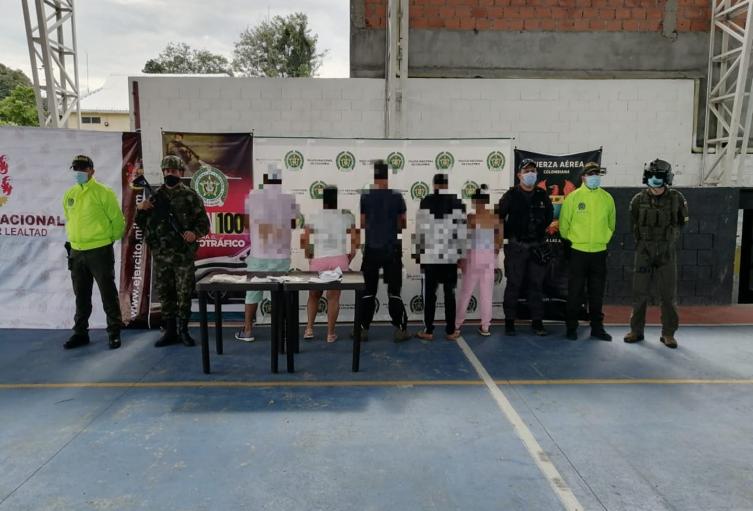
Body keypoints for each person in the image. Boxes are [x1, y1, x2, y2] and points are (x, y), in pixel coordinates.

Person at [136, 155, 209, 347]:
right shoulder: (154, 197)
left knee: (184, 294)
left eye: (174, 171)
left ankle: (183, 331)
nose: (170, 174)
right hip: (161, 256)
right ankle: (169, 331)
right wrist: (141, 210)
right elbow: (141, 225)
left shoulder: (191, 196)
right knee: (166, 294)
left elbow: (204, 224)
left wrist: (194, 233)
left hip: (183, 255)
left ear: (181, 173)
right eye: (167, 171)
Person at [62, 155, 125, 350]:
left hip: (99, 251)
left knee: (107, 293)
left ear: (92, 170)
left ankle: (114, 332)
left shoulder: (103, 192)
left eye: (83, 168)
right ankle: (80, 333)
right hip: (76, 251)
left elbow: (118, 221)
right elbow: (68, 218)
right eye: (76, 168)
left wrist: (107, 240)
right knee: (81, 295)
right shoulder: (70, 194)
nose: (79, 172)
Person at [624, 159, 689, 349]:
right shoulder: (638, 200)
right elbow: (633, 224)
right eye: (651, 176)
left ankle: (668, 334)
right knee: (639, 294)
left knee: (668, 296)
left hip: (666, 253)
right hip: (644, 251)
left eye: (659, 176)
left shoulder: (677, 199)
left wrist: (668, 241)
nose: (654, 180)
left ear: (666, 178)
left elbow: (682, 222)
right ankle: (636, 331)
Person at [236, 165, 299, 342]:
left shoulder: (253, 196)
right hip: (281, 257)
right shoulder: (289, 198)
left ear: (265, 180)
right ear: (280, 180)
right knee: (280, 294)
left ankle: (247, 330)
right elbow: (293, 224)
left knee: (253, 293)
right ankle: (280, 332)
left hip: (259, 255)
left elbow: (245, 224)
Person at [559, 162, 616, 341]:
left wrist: (602, 239)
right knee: (575, 292)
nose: (594, 177)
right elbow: (563, 225)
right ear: (583, 177)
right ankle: (571, 328)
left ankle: (597, 328)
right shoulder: (573, 198)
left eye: (597, 174)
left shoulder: (607, 198)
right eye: (590, 174)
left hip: (599, 253)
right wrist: (576, 241)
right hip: (578, 252)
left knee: (597, 293)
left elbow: (611, 224)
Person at [497, 158, 554, 336]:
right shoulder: (510, 195)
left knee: (536, 285)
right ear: (519, 175)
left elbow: (548, 216)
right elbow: (498, 218)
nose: (531, 174)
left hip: (537, 246)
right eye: (527, 171)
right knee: (514, 284)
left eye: (533, 171)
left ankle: (537, 322)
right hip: (516, 247)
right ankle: (509, 322)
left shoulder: (542, 195)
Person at [359, 160, 410, 342]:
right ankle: (400, 330)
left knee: (368, 291)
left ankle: (363, 329)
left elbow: (363, 223)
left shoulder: (365, 196)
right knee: (394, 291)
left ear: (375, 176)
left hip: (372, 248)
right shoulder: (396, 196)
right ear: (387, 176)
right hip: (392, 249)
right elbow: (403, 223)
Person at [412, 173, 467, 341]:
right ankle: (451, 331)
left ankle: (428, 330)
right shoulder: (457, 202)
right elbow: (461, 231)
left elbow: (421, 228)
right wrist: (461, 255)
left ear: (434, 185)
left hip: (430, 255)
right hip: (450, 255)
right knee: (449, 293)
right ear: (446, 185)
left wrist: (419, 255)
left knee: (430, 294)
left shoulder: (426, 201)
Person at [301, 186, 359, 343]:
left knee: (313, 296)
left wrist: (309, 257)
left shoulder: (314, 216)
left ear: (323, 200)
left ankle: (309, 329)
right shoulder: (345, 217)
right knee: (333, 298)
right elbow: (355, 239)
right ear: (336, 199)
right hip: (339, 259)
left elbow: (305, 239)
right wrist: (350, 256)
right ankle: (330, 334)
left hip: (318, 259)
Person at [455, 185, 503, 337]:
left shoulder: (471, 218)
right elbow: (499, 241)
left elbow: (465, 240)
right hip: (489, 259)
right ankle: (485, 327)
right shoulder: (495, 218)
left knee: (465, 293)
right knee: (486, 294)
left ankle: (456, 325)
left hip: (473, 258)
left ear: (475, 201)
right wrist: (492, 254)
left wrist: (461, 259)